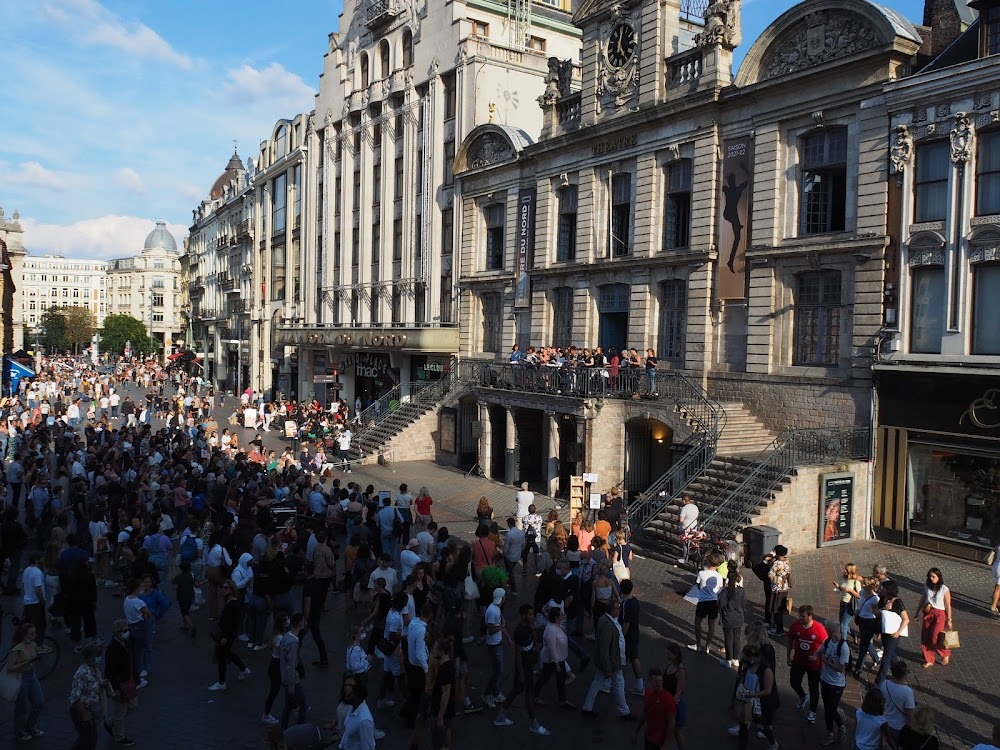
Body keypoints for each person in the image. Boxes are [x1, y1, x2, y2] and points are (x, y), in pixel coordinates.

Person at [580, 599, 633, 720]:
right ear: (612, 610)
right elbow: (604, 648)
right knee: (618, 683)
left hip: (611, 660)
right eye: (617, 608)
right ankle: (624, 711)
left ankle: (587, 707)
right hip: (612, 661)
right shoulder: (607, 625)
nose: (619, 610)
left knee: (598, 681)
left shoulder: (607, 620)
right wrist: (608, 667)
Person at [731, 644, 779, 750]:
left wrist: (751, 694)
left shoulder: (766, 670)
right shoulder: (747, 665)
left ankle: (773, 743)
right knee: (744, 727)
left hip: (759, 704)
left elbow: (768, 691)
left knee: (762, 726)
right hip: (747, 701)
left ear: (752, 657)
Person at [786, 604, 827, 724]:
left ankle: (812, 711)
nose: (800, 618)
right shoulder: (795, 626)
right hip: (798, 660)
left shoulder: (819, 629)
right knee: (794, 682)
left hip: (814, 665)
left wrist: (818, 658)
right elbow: (789, 639)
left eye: (803, 616)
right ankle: (802, 696)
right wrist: (788, 655)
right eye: (799, 615)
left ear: (810, 616)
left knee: (813, 688)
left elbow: (826, 646)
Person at [208, 579, 252, 691]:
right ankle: (243, 669)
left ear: (232, 589)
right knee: (228, 653)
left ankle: (222, 682)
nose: (223, 589)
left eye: (226, 587)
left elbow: (230, 623)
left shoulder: (232, 605)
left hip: (226, 635)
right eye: (223, 587)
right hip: (229, 634)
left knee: (222, 657)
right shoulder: (230, 602)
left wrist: (224, 637)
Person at [7, 621, 45, 741]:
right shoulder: (16, 650)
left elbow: (35, 654)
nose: (35, 636)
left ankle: (30, 727)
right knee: (21, 708)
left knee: (39, 703)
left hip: (31, 676)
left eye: (35, 633)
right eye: (32, 634)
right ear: (25, 635)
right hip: (21, 679)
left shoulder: (33, 644)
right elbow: (10, 668)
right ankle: (20, 732)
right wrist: (26, 662)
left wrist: (39, 655)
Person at [104, 620, 138, 747]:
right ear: (115, 633)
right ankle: (119, 737)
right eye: (124, 631)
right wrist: (116, 688)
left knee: (133, 705)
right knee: (121, 711)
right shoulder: (112, 649)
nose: (127, 633)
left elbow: (132, 662)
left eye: (127, 630)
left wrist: (136, 678)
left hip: (129, 682)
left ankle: (110, 723)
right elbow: (110, 671)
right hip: (120, 685)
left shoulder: (126, 644)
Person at [818, 623, 850, 746]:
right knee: (827, 708)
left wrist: (825, 660)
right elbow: (819, 651)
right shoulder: (827, 642)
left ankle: (841, 726)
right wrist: (815, 656)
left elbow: (841, 669)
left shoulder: (843, 647)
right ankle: (830, 733)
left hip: (837, 684)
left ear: (831, 631)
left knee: (831, 708)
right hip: (825, 679)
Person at [68, 643, 105, 750]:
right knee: (87, 740)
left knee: (89, 739)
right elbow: (75, 698)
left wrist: (102, 683)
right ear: (87, 656)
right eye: (96, 656)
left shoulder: (95, 670)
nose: (98, 658)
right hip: (82, 711)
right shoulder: (81, 674)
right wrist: (84, 714)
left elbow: (93, 684)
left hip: (91, 710)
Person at [914, 567, 953, 668]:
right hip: (928, 612)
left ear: (939, 577)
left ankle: (945, 653)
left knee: (935, 637)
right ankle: (929, 659)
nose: (931, 578)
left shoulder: (944, 589)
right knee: (926, 636)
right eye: (930, 576)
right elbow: (923, 599)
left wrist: (949, 619)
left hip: (939, 613)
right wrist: (917, 612)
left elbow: (948, 605)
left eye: (933, 576)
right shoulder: (927, 586)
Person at [633, 667, 676, 750]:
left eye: (660, 681)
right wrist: (636, 731)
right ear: (650, 681)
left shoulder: (668, 700)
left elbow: (671, 724)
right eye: (656, 681)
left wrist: (666, 745)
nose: (659, 684)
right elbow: (644, 713)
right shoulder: (648, 693)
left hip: (659, 741)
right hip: (649, 737)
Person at [876, 581, 909, 687]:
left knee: (886, 658)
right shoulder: (883, 599)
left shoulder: (898, 603)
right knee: (892, 656)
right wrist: (884, 609)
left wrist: (898, 632)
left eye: (884, 588)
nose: (882, 590)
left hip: (893, 634)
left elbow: (906, 619)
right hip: (885, 631)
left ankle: (878, 683)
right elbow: (876, 612)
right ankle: (901, 674)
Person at [689, 553, 723, 653]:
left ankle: (698, 644)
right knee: (711, 625)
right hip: (713, 602)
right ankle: (708, 646)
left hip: (703, 601)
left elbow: (698, 584)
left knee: (697, 622)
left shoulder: (702, 573)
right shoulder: (719, 576)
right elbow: (720, 588)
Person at [280, 613, 309, 730]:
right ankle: (299, 730)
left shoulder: (286, 637)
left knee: (288, 706)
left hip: (286, 678)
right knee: (304, 705)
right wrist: (291, 684)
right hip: (293, 680)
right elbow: (291, 665)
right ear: (300, 623)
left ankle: (284, 729)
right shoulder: (293, 643)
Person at [483, 587, 509, 707]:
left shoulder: (495, 609)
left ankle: (495, 692)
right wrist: (502, 626)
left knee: (498, 670)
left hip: (496, 643)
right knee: (498, 671)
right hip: (494, 644)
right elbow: (491, 630)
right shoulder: (493, 611)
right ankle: (488, 694)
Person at [852, 576, 883, 678]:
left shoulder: (875, 599)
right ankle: (876, 659)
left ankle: (858, 668)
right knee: (865, 642)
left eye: (865, 584)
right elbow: (860, 604)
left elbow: (876, 613)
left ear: (871, 586)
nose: (862, 585)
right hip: (861, 620)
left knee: (864, 645)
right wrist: (857, 611)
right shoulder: (862, 593)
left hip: (870, 622)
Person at [429, 637, 456, 750]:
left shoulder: (445, 670)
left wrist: (440, 716)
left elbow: (446, 694)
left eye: (435, 649)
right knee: (446, 731)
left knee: (438, 740)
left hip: (441, 710)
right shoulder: (447, 665)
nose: (433, 651)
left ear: (441, 651)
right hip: (446, 709)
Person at [718, 566, 746, 668]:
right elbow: (743, 603)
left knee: (728, 639)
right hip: (738, 617)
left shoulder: (725, 592)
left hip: (727, 617)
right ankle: (736, 659)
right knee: (737, 638)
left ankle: (728, 660)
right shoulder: (741, 591)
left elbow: (721, 604)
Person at [881, 662, 915, 744]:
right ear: (904, 675)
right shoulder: (907, 691)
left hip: (886, 722)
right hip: (900, 727)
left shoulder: (884, 684)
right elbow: (909, 713)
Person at [767, 545, 792, 635]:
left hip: (777, 588)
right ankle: (778, 627)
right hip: (784, 587)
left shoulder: (777, 563)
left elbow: (770, 575)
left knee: (776, 610)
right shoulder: (787, 561)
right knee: (780, 609)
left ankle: (779, 629)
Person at [834, 563, 862, 640]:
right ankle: (854, 635)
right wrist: (838, 587)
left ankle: (843, 643)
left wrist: (850, 590)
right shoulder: (844, 578)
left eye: (846, 569)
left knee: (843, 624)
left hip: (849, 605)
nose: (844, 570)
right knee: (842, 624)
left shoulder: (856, 582)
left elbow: (859, 595)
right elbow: (843, 589)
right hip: (842, 602)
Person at [502, 518, 525, 593]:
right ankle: (508, 584)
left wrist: (504, 554)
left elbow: (506, 546)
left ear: (509, 524)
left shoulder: (509, 534)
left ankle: (513, 588)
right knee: (510, 571)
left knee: (510, 572)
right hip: (517, 555)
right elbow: (523, 544)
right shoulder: (521, 532)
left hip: (509, 556)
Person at [677, 495, 698, 565]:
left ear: (684, 501)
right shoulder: (695, 507)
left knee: (685, 544)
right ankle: (692, 555)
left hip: (686, 528)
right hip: (694, 527)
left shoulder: (684, 508)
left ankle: (685, 558)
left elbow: (681, 519)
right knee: (691, 542)